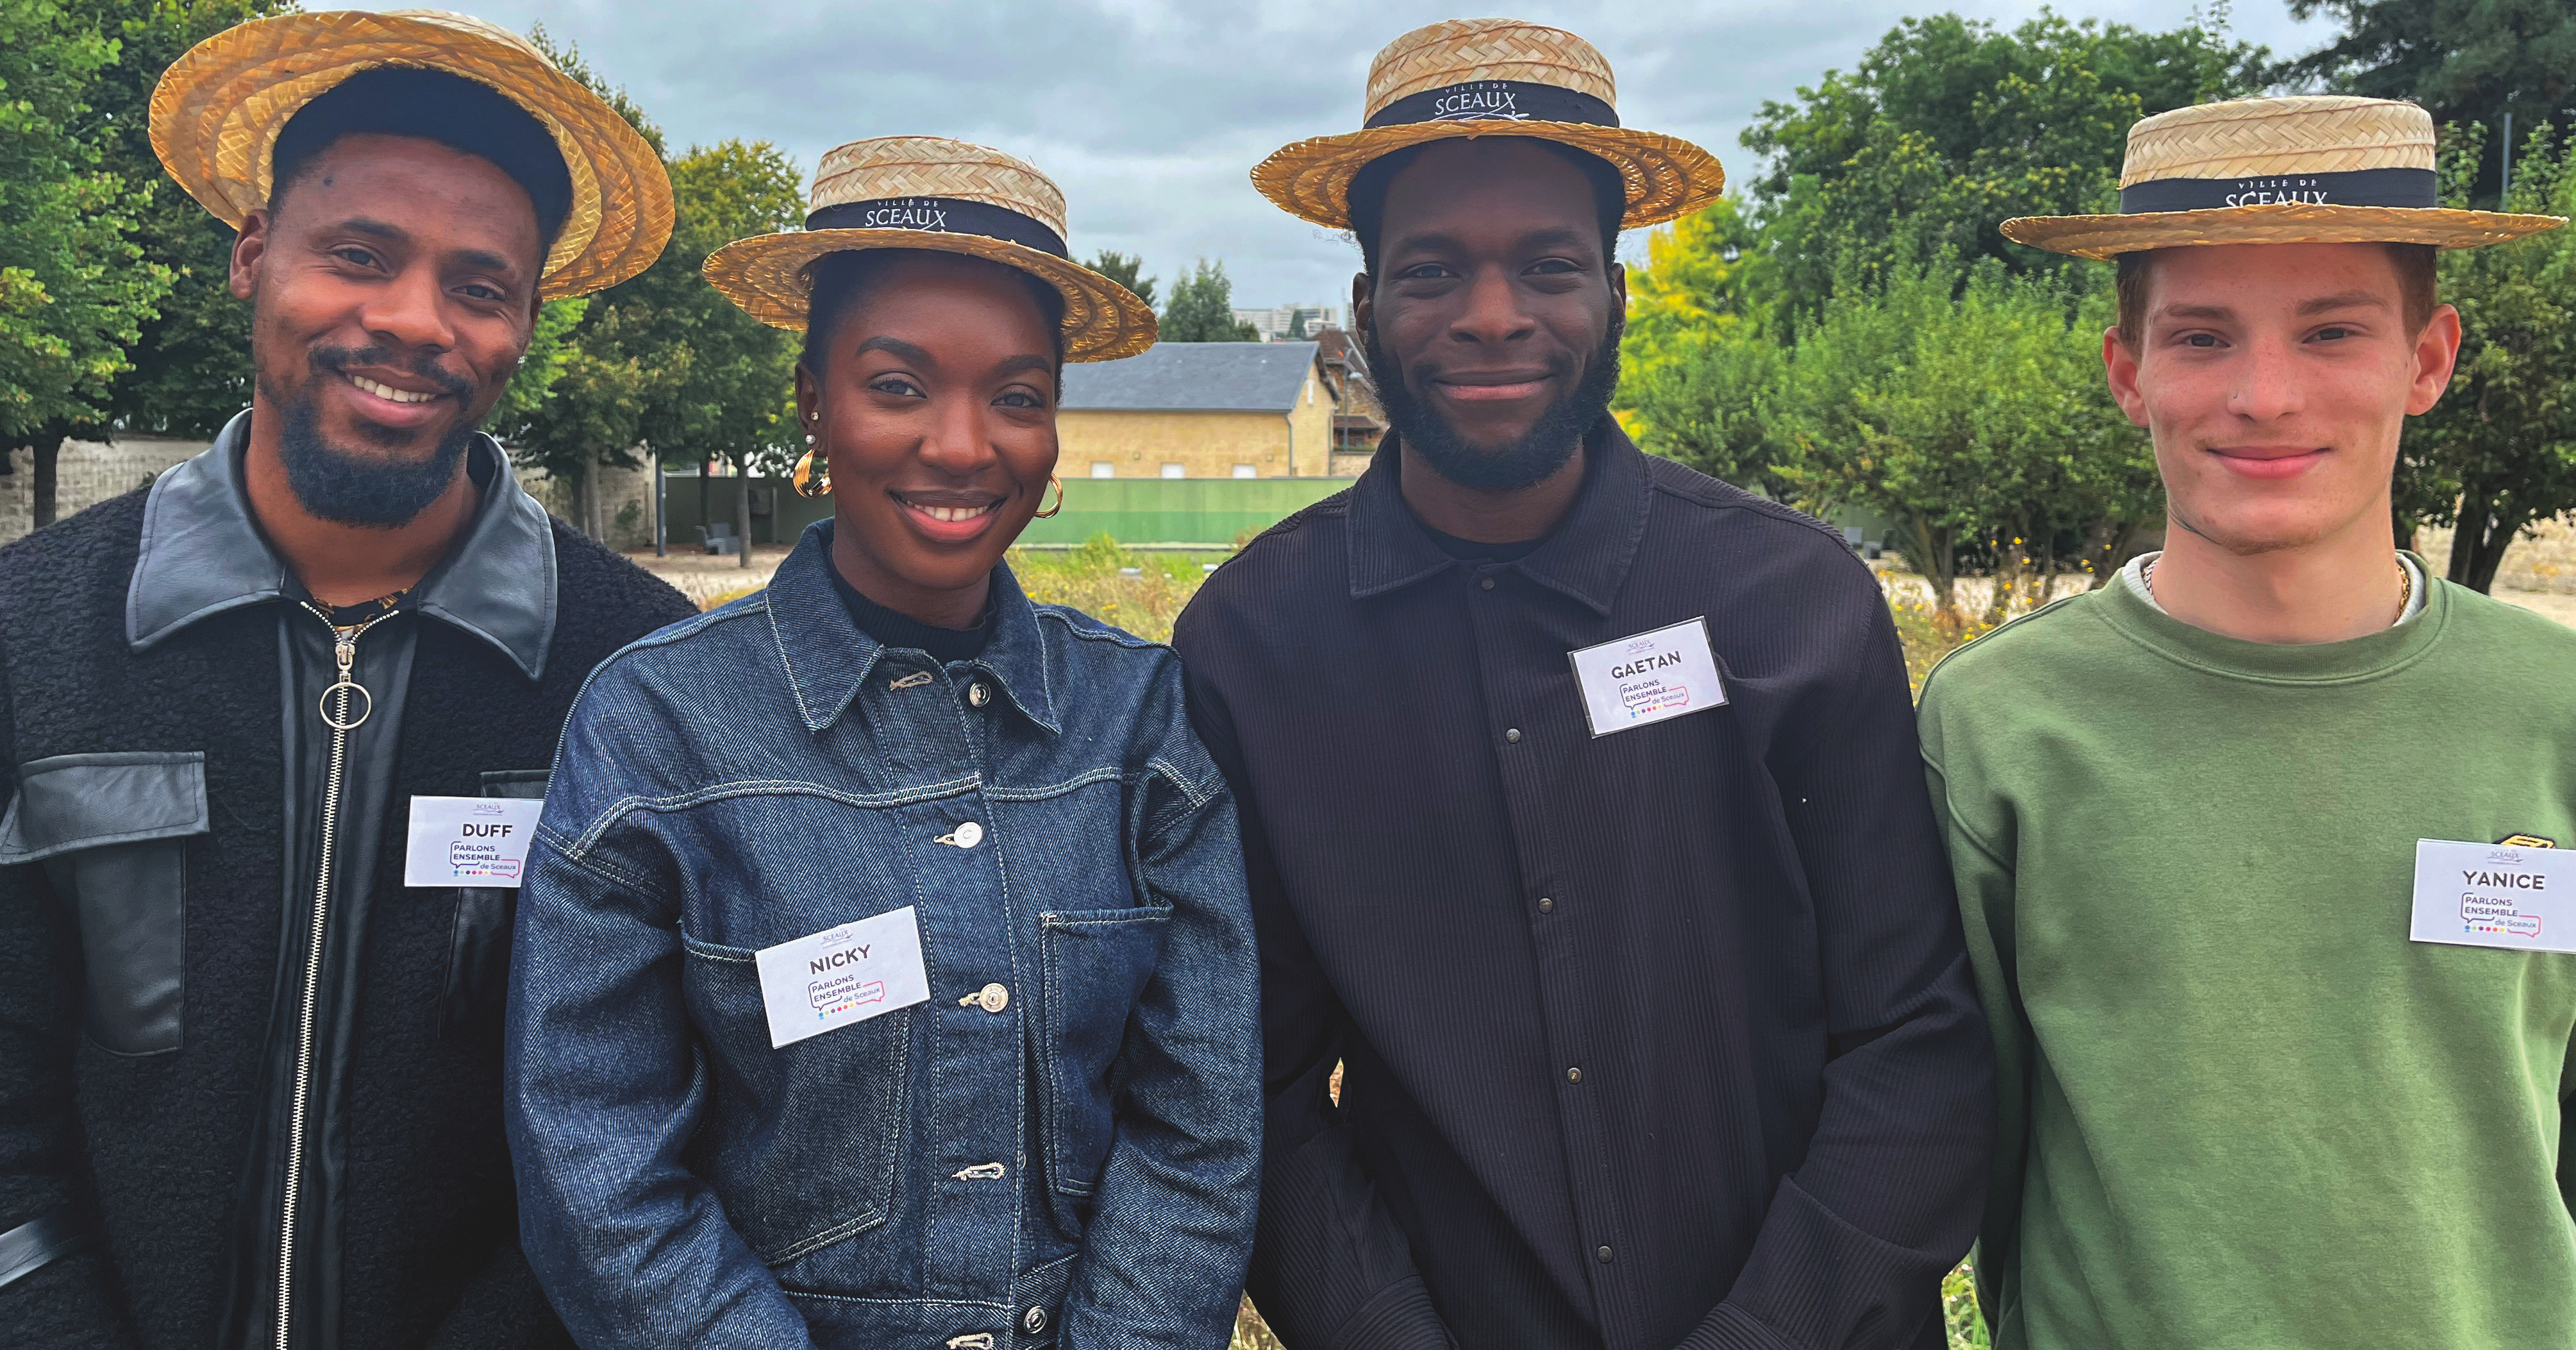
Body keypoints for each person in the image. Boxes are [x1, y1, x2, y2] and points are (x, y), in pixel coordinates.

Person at [1175, 19, 1991, 1350]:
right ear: (1363, 307)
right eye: (1432, 269)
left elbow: (1913, 1043)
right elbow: (1243, 1080)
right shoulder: (1248, 648)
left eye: (1546, 266)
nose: (1491, 316)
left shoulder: (1792, 604)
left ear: (1612, 293)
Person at [0, 12, 689, 1349]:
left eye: (478, 287)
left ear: (525, 323)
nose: (412, 322)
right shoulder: (32, 637)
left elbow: (652, 1118)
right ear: (255, 254)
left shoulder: (640, 674)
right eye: (359, 256)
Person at [505, 135, 1259, 1350]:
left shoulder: (1139, 723)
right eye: (898, 385)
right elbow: (596, 1160)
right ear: (812, 399)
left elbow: (1199, 1129)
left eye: (1017, 395)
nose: (964, 446)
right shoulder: (658, 730)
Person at [1921, 95, 2576, 1349]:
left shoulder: (2551, 712)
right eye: (2201, 338)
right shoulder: (1999, 728)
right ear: (2128, 372)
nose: (2263, 396)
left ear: (2426, 359)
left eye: (2329, 331)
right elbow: (1960, 1137)